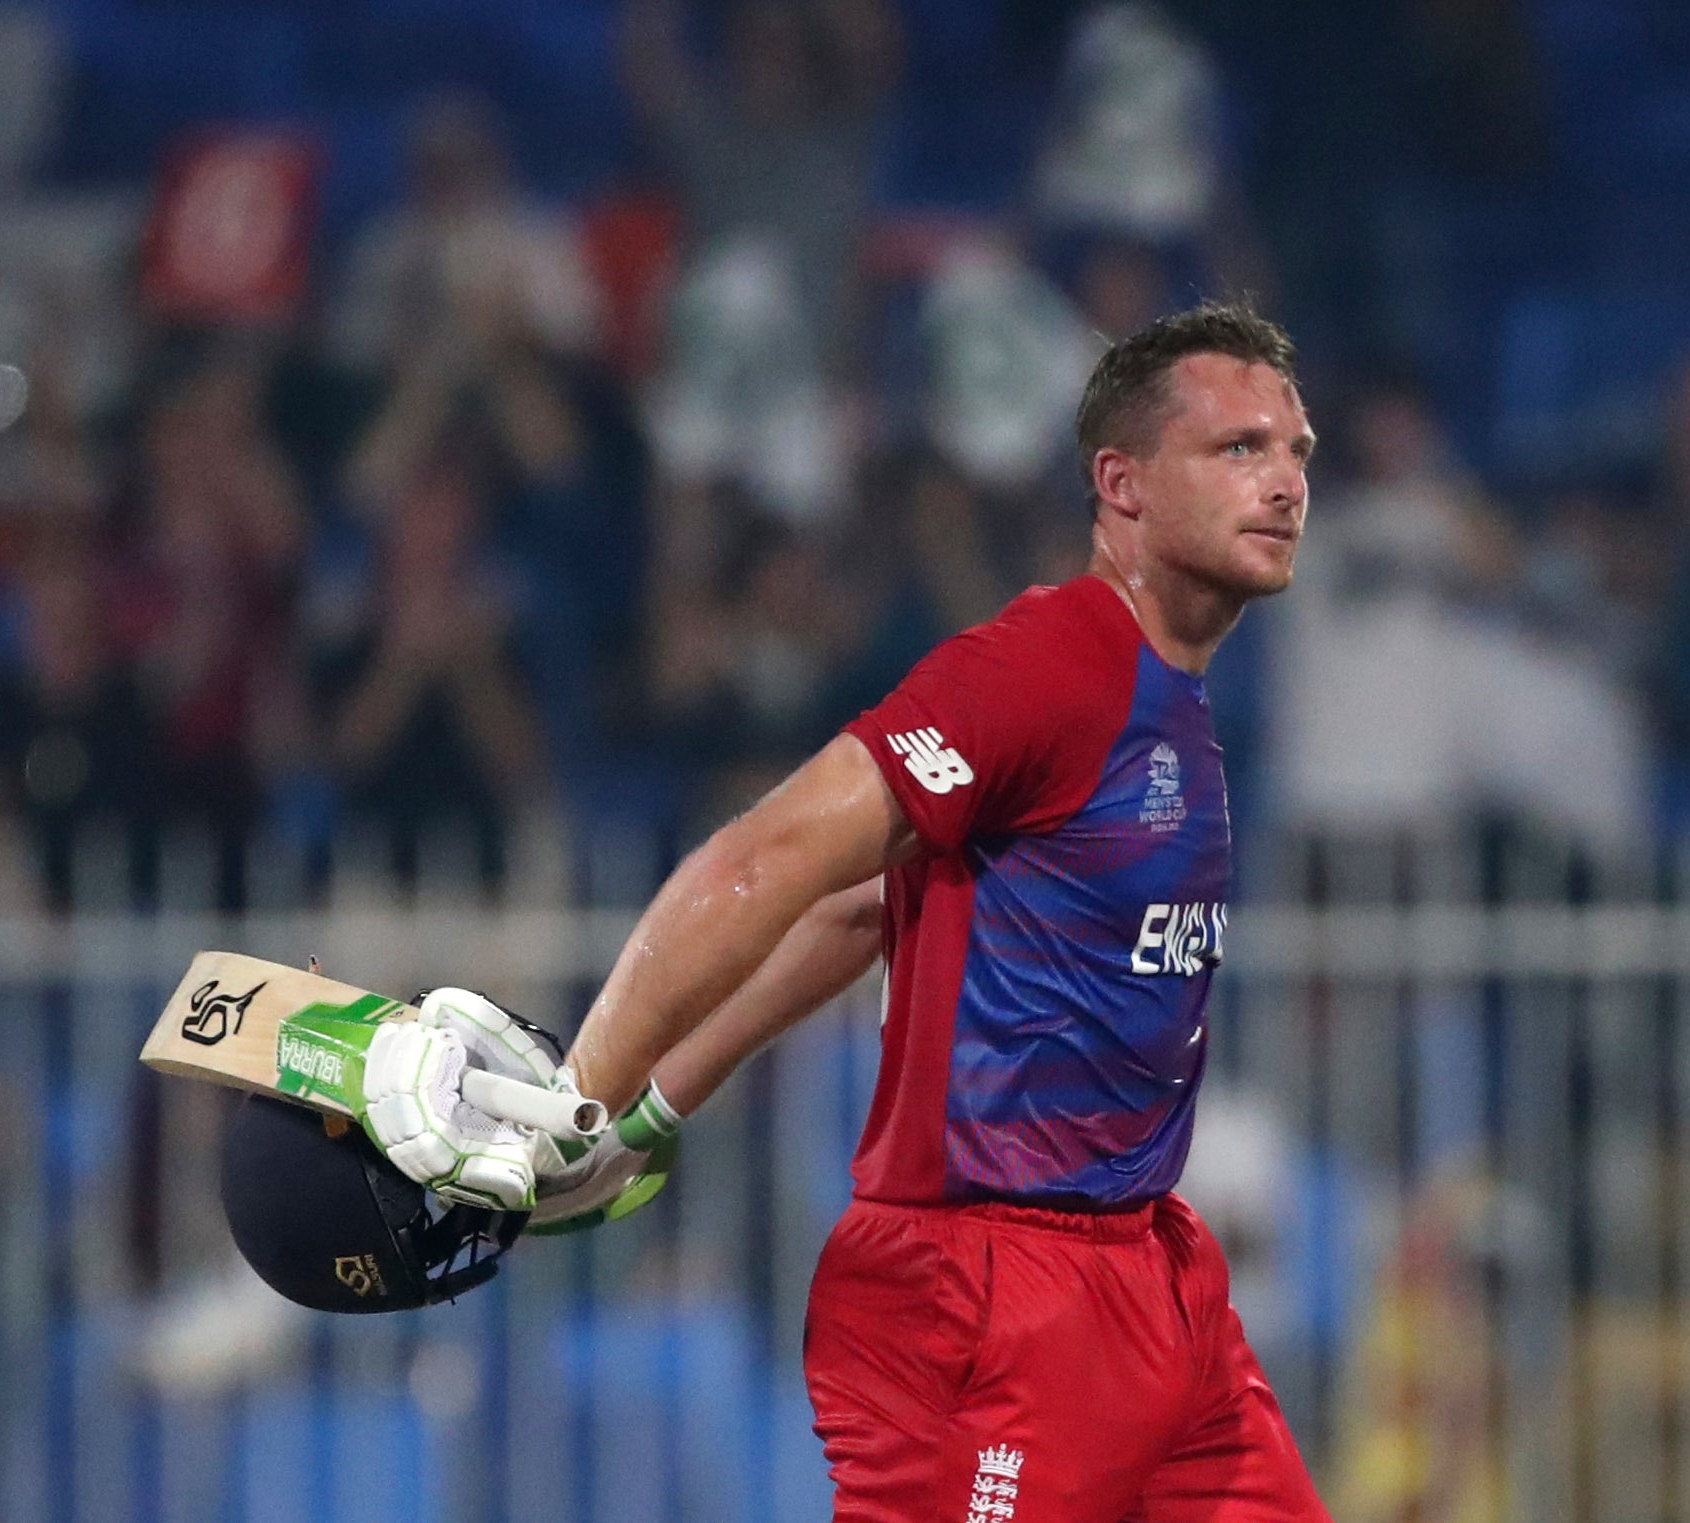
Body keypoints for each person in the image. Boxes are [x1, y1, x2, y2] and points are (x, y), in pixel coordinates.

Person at [365, 303, 1332, 1519]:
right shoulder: (1048, 666)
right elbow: (766, 856)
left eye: (1296, 449)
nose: (1286, 480)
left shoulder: (1170, 701)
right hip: (992, 1297)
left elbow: (869, 909)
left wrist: (665, 1098)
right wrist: (584, 1096)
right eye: (1238, 448)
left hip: (1151, 1277)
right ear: (1122, 484)